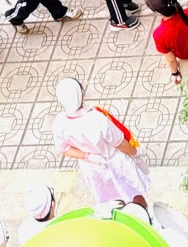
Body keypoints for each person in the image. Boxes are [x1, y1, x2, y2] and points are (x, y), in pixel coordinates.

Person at [51, 77, 150, 207]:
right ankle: (144, 216)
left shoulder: (59, 123)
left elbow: (63, 148)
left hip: (92, 167)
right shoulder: (96, 119)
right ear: (81, 93)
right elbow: (119, 142)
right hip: (114, 162)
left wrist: (87, 156)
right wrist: (135, 152)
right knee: (133, 194)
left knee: (110, 200)